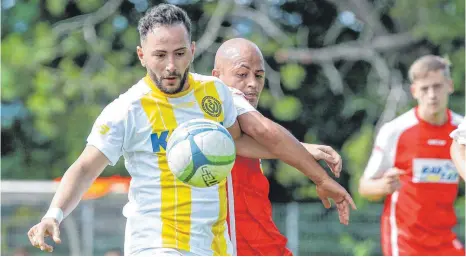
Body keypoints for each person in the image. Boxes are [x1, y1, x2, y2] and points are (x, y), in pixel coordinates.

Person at [27, 4, 355, 256]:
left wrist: (318, 175)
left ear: (193, 51)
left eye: (179, 53)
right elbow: (85, 168)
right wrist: (53, 214)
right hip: (155, 242)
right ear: (142, 55)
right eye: (160, 55)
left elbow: (250, 139)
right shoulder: (128, 110)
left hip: (213, 243)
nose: (171, 65)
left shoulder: (214, 93)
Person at [212, 38, 344, 256]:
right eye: (242, 74)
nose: (253, 83)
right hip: (240, 247)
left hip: (262, 242)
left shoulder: (240, 127)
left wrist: (301, 148)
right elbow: (263, 132)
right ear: (217, 77)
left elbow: (246, 143)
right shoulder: (222, 97)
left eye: (259, 75)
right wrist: (320, 177)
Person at [358, 55, 465, 256]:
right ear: (414, 91)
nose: (432, 95)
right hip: (405, 239)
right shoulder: (395, 131)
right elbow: (364, 187)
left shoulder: (461, 132)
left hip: (445, 238)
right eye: (425, 89)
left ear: (450, 86)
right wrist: (383, 186)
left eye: (438, 86)